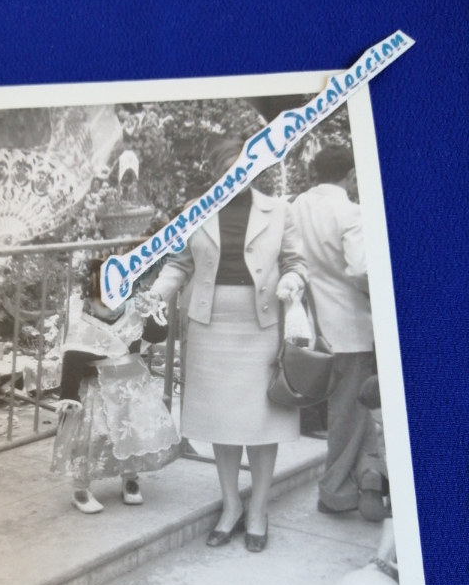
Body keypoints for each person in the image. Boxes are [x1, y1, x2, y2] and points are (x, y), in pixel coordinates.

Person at [142, 134, 308, 552]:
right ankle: (232, 505)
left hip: (261, 325)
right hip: (210, 327)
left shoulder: (279, 210)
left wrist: (293, 279)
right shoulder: (194, 211)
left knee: (261, 422)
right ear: (216, 170)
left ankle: (259, 510)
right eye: (230, 168)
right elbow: (179, 263)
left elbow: (295, 262)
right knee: (221, 420)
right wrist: (156, 295)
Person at [291, 145, 383, 521]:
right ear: (350, 175)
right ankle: (335, 490)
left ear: (315, 172)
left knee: (352, 412)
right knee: (351, 411)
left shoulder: (296, 207)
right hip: (353, 326)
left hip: (312, 326)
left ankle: (370, 478)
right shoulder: (350, 212)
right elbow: (362, 269)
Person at [50, 256, 181, 514]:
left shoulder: (132, 315)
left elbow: (158, 335)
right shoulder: (83, 326)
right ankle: (81, 487)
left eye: (118, 300)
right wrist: (68, 395)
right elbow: (73, 361)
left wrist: (149, 313)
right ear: (88, 300)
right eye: (104, 302)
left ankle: (130, 480)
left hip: (131, 389)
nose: (112, 307)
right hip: (97, 391)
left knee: (133, 435)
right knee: (91, 440)